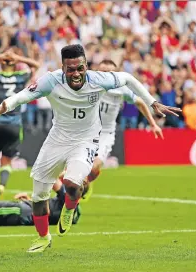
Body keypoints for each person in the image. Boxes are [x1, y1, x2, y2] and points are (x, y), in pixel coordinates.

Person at [0, 44, 181, 253]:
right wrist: (5, 106)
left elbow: (128, 79)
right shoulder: (51, 80)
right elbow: (24, 95)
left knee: (71, 182)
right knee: (39, 195)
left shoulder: (99, 79)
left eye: (80, 68)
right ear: (63, 68)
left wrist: (153, 102)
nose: (76, 74)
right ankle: (43, 237)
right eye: (71, 69)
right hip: (56, 140)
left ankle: (70, 208)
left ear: (86, 65)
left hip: (86, 140)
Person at [62, 59, 164, 201]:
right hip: (86, 131)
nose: (105, 75)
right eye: (103, 71)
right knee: (75, 170)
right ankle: (74, 192)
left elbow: (140, 103)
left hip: (106, 133)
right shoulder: (88, 84)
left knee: (94, 166)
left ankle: (86, 184)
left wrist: (153, 124)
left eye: (109, 72)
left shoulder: (121, 89)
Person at [0, 49, 40, 202]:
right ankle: (2, 186)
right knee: (6, 161)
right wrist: (18, 58)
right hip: (14, 124)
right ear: (14, 64)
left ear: (2, 63)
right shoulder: (20, 76)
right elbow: (36, 65)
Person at [0, 180, 81, 227]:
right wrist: (29, 199)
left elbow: (52, 178)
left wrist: (62, 172)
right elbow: (50, 210)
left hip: (21, 211)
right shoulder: (72, 209)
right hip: (24, 210)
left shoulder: (71, 198)